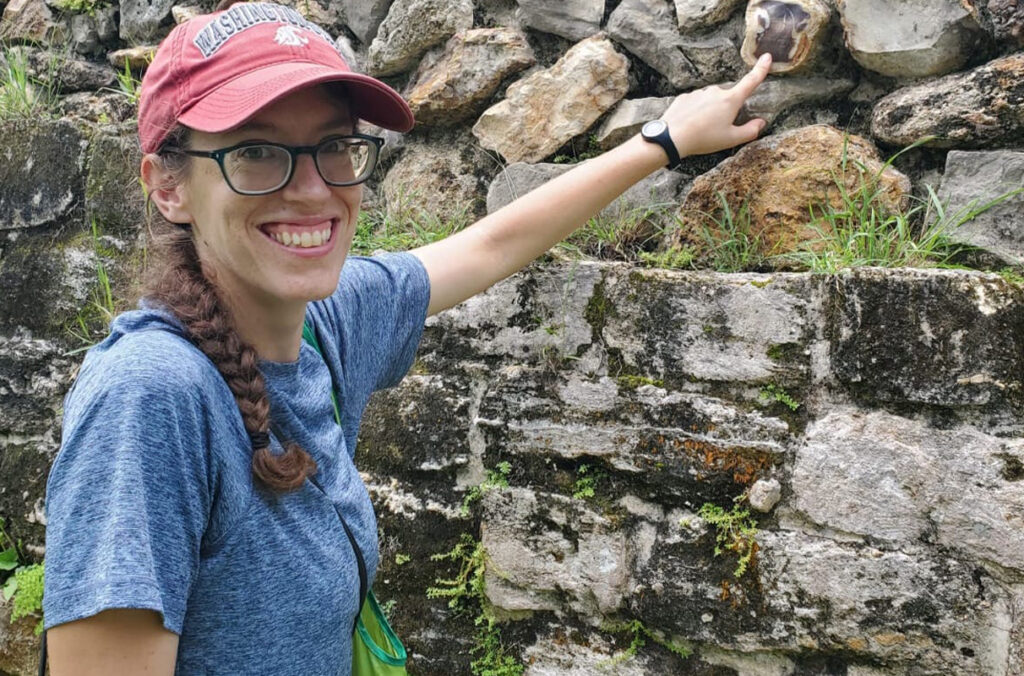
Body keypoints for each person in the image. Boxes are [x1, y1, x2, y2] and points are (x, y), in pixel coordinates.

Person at [40, 2, 772, 674]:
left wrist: (665, 140)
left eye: (335, 147)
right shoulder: (154, 398)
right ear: (168, 186)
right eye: (257, 152)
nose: (313, 189)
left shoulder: (325, 324)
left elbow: (488, 247)